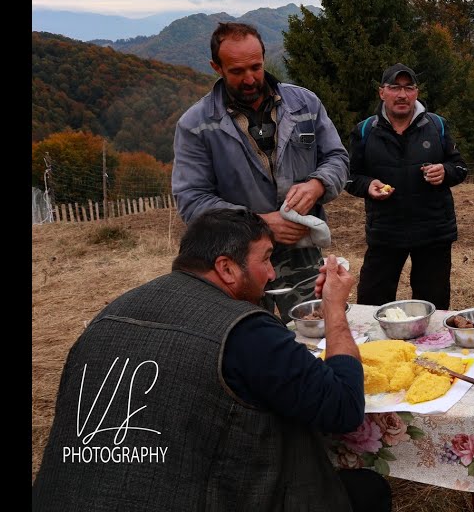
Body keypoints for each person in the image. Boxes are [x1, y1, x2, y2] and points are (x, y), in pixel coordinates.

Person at [32, 208, 392, 512]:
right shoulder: (246, 331)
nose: (272, 273)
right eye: (266, 259)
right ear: (227, 268)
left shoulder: (110, 314)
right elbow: (344, 408)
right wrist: (333, 308)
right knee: (368, 491)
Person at [171, 21, 350, 322]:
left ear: (264, 58)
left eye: (256, 67)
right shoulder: (195, 125)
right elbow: (192, 200)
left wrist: (318, 184)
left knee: (316, 330)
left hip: (301, 249)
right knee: (248, 335)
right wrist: (258, 223)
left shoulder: (305, 104)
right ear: (216, 67)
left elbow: (337, 158)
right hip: (237, 257)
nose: (250, 78)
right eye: (237, 71)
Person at [345, 63, 467, 310]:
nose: (402, 94)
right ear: (382, 92)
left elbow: (460, 168)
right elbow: (349, 177)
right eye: (395, 87)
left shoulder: (437, 125)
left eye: (408, 88)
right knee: (371, 304)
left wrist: (445, 172)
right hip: (385, 232)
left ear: (416, 92)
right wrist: (368, 185)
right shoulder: (365, 130)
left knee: (433, 307)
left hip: (433, 232)